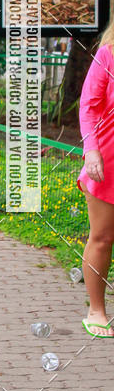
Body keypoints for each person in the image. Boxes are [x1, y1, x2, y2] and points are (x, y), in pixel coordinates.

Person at [77, 25, 114, 337]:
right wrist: (91, 151)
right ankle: (96, 310)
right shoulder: (108, 55)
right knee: (102, 237)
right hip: (108, 160)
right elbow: (88, 107)